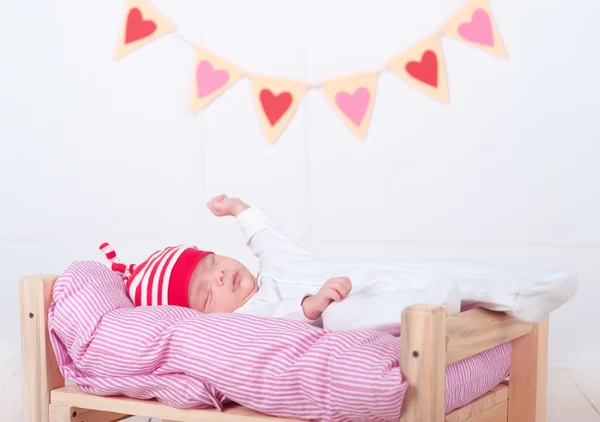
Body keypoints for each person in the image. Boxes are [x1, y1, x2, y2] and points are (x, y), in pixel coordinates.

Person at [100, 194, 461, 330]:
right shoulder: (242, 319)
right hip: (342, 308)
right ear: (204, 319)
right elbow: (275, 318)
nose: (221, 277)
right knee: (341, 316)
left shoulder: (272, 269)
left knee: (399, 274)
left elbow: (266, 238)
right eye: (207, 294)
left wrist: (239, 210)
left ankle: (444, 292)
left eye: (211, 264)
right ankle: (430, 305)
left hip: (366, 278)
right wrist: (311, 306)